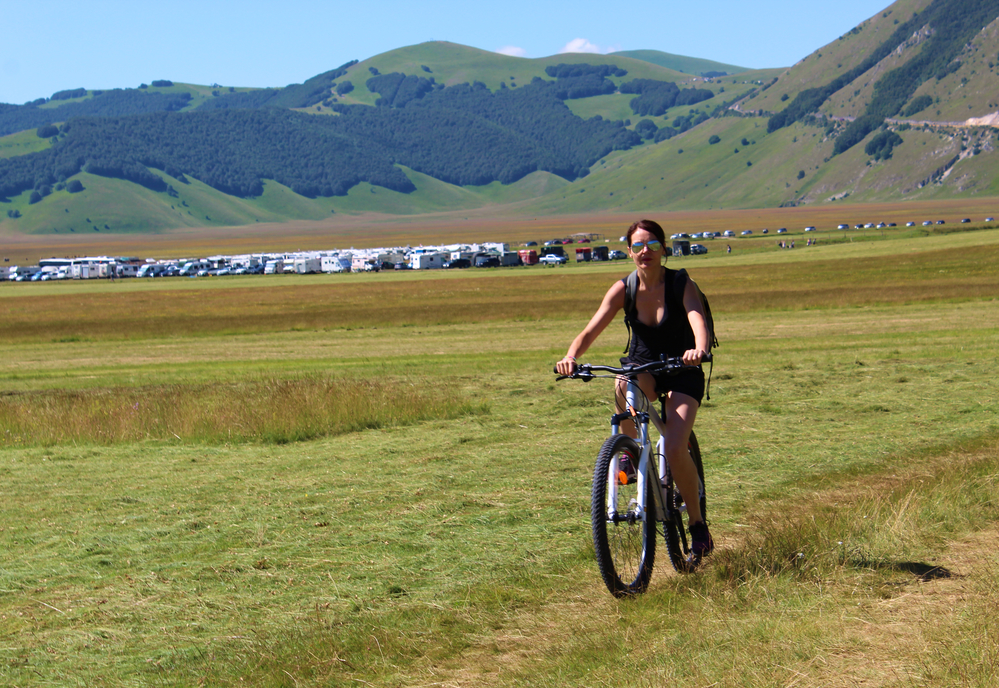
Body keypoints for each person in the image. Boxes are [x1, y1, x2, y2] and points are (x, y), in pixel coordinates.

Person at [555, 219, 713, 556]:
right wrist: (570, 356)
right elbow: (589, 331)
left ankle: (698, 526)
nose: (646, 252)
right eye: (639, 246)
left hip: (682, 369)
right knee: (621, 380)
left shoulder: (681, 283)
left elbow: (697, 319)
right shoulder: (623, 289)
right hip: (644, 368)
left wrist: (698, 349)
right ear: (629, 251)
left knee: (673, 446)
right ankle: (627, 454)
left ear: (664, 250)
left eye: (653, 245)